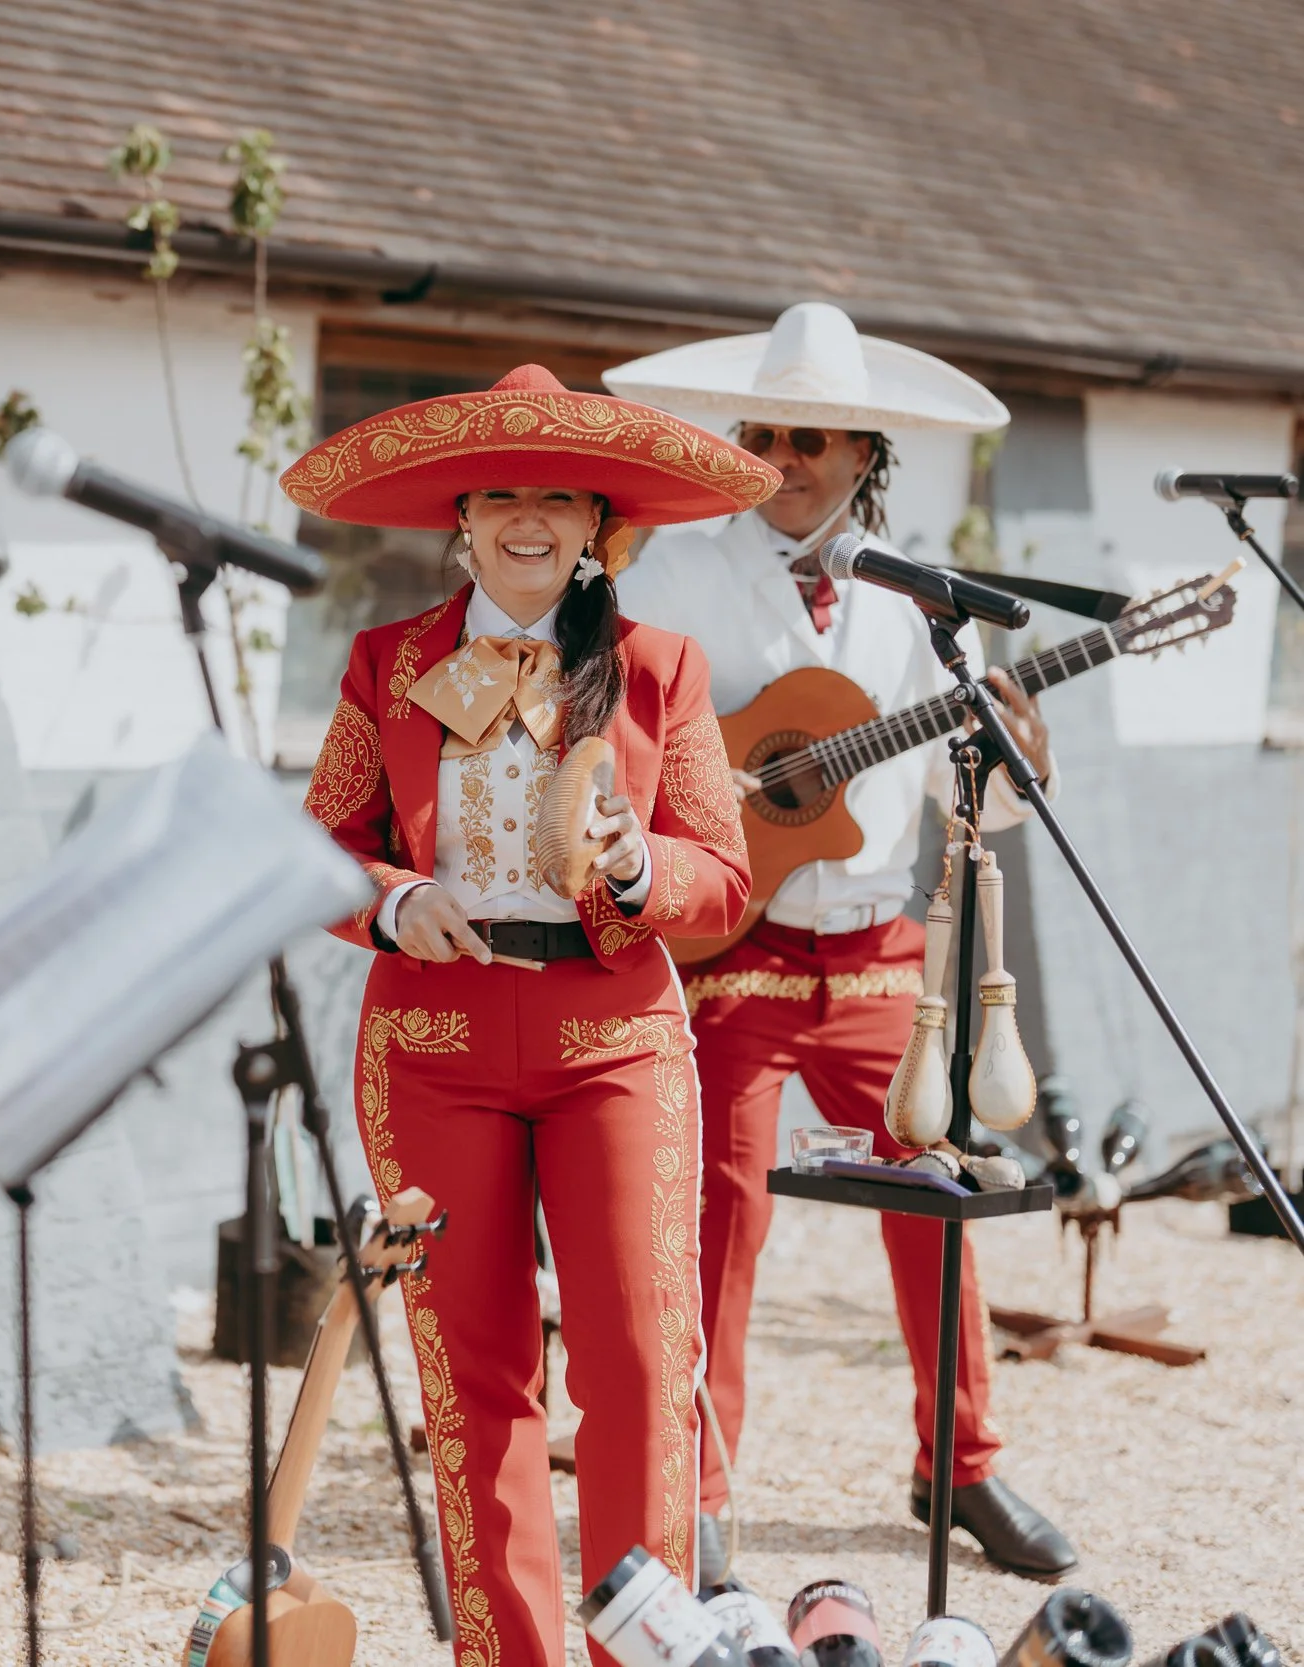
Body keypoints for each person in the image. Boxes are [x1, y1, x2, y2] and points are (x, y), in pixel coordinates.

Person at [282, 364, 772, 1667]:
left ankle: (641, 1651)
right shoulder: (387, 662)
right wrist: (393, 902)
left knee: (640, 1363)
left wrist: (634, 865)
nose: (528, 518)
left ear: (596, 520)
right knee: (471, 1375)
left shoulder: (658, 667)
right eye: (501, 493)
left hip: (612, 1041)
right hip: (433, 1046)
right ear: (462, 515)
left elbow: (724, 878)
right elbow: (319, 847)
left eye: (557, 496)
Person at [606, 302, 1078, 1580]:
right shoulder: (667, 573)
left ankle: (959, 1463)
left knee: (939, 1194)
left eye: (808, 438)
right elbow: (616, 749)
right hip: (733, 952)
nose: (780, 458)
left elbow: (966, 800)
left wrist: (1017, 762)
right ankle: (693, 1486)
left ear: (866, 450)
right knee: (716, 1215)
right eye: (760, 433)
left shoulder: (924, 601)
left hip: (878, 955)